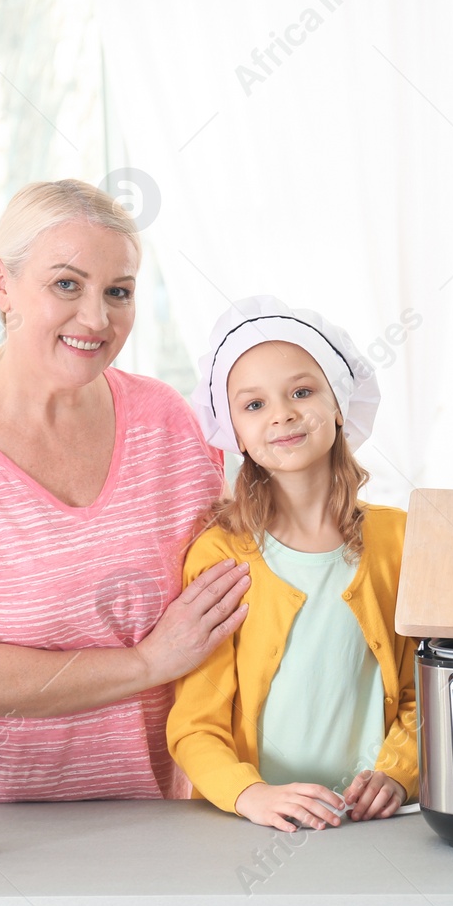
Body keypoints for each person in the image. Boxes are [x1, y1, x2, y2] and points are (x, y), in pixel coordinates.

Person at [0, 180, 250, 801]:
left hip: (160, 813)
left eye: (117, 292)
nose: (96, 318)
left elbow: (228, 592)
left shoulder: (169, 422)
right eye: (66, 284)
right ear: (2, 284)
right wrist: (147, 664)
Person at [167, 296, 418, 831]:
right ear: (230, 428)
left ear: (339, 404)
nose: (281, 414)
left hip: (377, 825)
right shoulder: (219, 554)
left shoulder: (398, 538)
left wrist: (399, 773)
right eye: (253, 405)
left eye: (301, 392)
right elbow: (195, 725)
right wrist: (250, 795)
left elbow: (428, 689)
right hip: (254, 828)